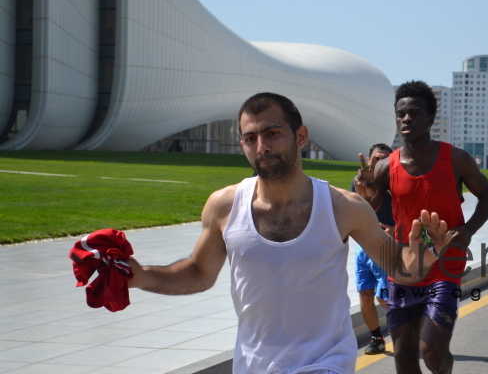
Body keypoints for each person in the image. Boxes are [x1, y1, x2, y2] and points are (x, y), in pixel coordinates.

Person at [127, 92, 452, 374]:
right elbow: (199, 273)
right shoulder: (224, 206)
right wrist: (141, 276)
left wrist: (425, 254)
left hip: (325, 362)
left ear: (300, 136)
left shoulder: (343, 207)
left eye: (272, 133)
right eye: (250, 138)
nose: (262, 146)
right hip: (253, 364)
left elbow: (398, 267)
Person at [357, 80, 488, 374]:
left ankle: (445, 368)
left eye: (415, 113)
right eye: (401, 114)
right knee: (404, 355)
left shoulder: (456, 159)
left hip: (445, 267)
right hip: (403, 268)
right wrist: (364, 195)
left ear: (430, 118)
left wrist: (469, 229)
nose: (406, 119)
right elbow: (367, 212)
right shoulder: (386, 167)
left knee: (431, 351)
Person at [352, 143, 394, 355]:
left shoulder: (396, 183)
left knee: (384, 298)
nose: (381, 162)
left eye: (386, 158)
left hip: (387, 247)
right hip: (363, 248)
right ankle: (377, 338)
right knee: (365, 295)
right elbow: (359, 210)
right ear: (369, 160)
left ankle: (407, 329)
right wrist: (365, 188)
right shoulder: (358, 181)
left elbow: (410, 213)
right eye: (377, 158)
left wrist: (397, 230)